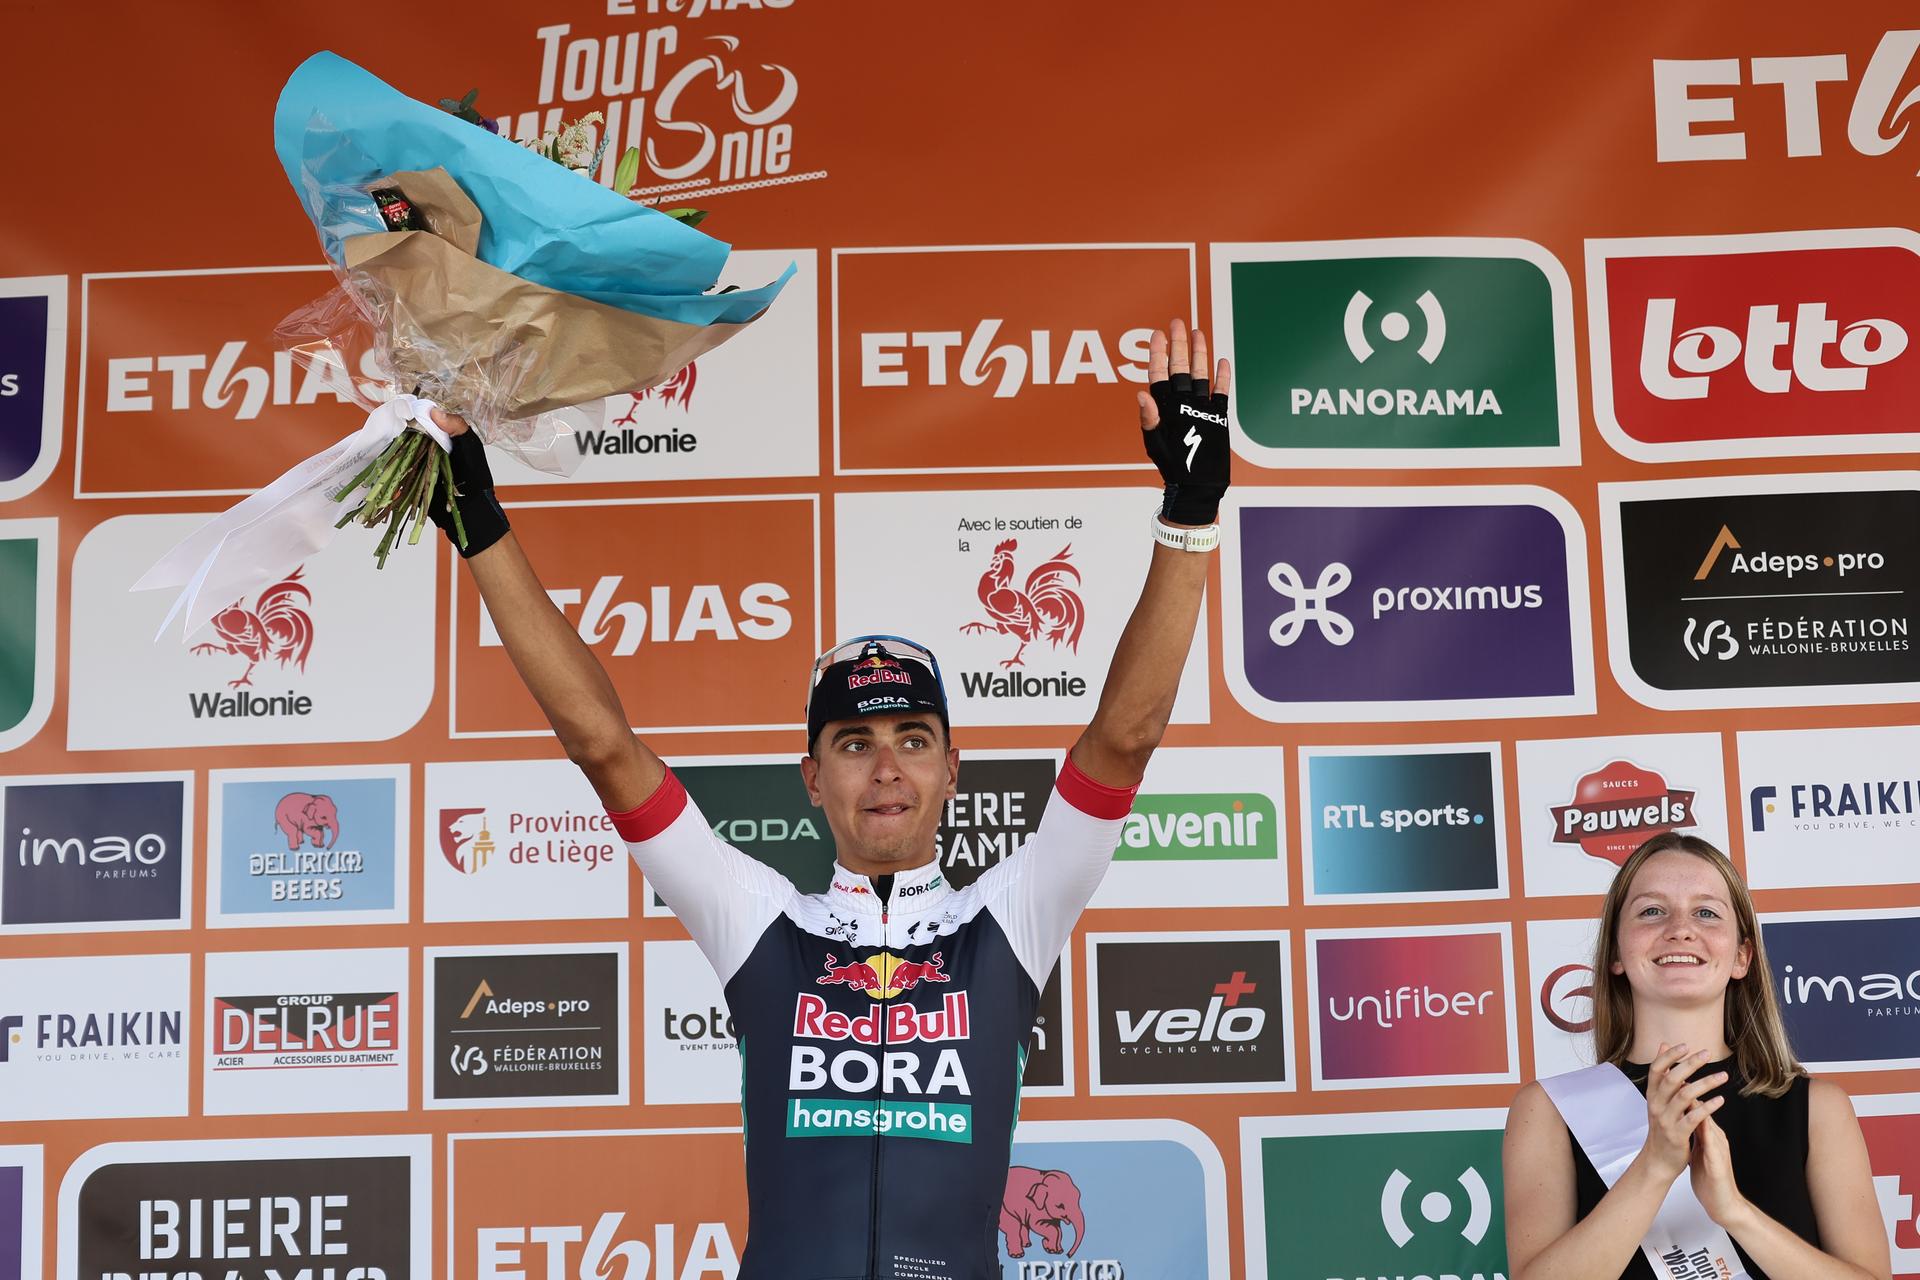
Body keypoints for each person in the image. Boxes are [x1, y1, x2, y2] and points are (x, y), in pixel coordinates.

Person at [427, 319, 1231, 1280]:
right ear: (812, 777)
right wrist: (476, 519)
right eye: (854, 744)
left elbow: (1126, 738)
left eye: (912, 741)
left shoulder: (1012, 918)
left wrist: (1188, 512)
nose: (886, 769)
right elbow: (605, 747)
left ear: (952, 768)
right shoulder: (761, 922)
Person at [1503, 833, 1890, 1280]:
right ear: (1615, 954)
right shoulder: (1549, 1110)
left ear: (1742, 956)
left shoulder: (1817, 1107)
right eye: (1652, 911)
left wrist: (1734, 1212)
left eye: (1706, 912)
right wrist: (1653, 1169)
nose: (1680, 928)